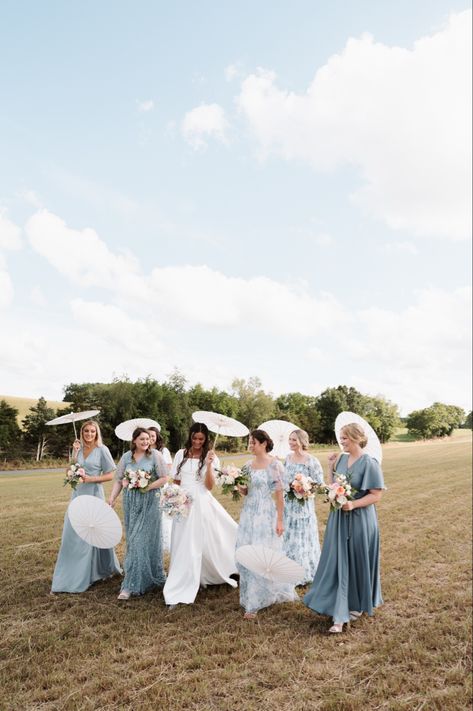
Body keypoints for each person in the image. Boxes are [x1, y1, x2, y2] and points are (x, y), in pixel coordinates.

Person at [304, 423, 385, 633]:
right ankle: (335, 602)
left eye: (345, 438)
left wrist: (353, 504)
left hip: (360, 519)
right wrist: (330, 467)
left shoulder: (370, 463)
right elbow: (334, 486)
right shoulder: (340, 459)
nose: (342, 442)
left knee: (356, 559)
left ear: (357, 438)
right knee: (337, 559)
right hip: (338, 518)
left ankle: (355, 605)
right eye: (341, 438)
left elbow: (376, 494)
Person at [163, 422, 238, 607]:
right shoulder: (181, 453)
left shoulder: (210, 457)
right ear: (190, 436)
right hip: (182, 501)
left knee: (198, 539)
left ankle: (202, 573)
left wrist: (210, 465)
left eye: (201, 439)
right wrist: (174, 498)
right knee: (182, 540)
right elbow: (177, 480)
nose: (197, 442)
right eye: (194, 438)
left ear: (206, 440)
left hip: (201, 500)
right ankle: (183, 575)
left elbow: (210, 486)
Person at [51, 420, 121, 593]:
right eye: (86, 431)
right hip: (77, 496)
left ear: (96, 433)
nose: (89, 434)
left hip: (94, 496)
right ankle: (70, 574)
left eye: (92, 431)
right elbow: (70, 471)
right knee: (72, 534)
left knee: (93, 535)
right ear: (81, 433)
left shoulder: (102, 450)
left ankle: (96, 571)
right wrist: (74, 454)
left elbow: (111, 475)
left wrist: (91, 479)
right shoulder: (78, 449)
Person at [235, 429, 298, 619]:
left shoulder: (274, 465)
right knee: (246, 552)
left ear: (263, 443)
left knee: (261, 552)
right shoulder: (247, 465)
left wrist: (279, 520)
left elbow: (280, 495)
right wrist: (235, 482)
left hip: (266, 514)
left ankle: (254, 603)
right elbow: (245, 492)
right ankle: (253, 594)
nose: (250, 446)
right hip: (249, 513)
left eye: (253, 442)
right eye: (249, 442)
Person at [109, 427, 169, 600]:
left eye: (147, 439)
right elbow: (119, 480)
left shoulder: (155, 456)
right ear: (134, 440)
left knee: (143, 540)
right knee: (134, 541)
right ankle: (138, 578)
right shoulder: (126, 457)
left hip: (150, 502)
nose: (145, 442)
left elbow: (165, 478)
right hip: (131, 504)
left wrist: (147, 486)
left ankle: (130, 585)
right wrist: (112, 498)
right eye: (141, 439)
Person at [283, 429, 324, 585]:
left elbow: (319, 484)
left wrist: (305, 487)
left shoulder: (311, 460)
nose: (291, 443)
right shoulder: (287, 459)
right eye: (290, 439)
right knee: (289, 538)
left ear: (302, 441)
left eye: (294, 440)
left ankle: (304, 572)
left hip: (304, 506)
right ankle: (288, 571)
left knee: (302, 538)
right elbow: (283, 479)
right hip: (288, 505)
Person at [148, 425, 173, 553]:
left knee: (161, 513)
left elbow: (168, 468)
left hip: (161, 486)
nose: (151, 438)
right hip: (147, 486)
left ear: (157, 437)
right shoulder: (143, 450)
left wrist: (157, 474)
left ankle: (163, 542)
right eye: (149, 435)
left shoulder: (164, 451)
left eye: (153, 436)